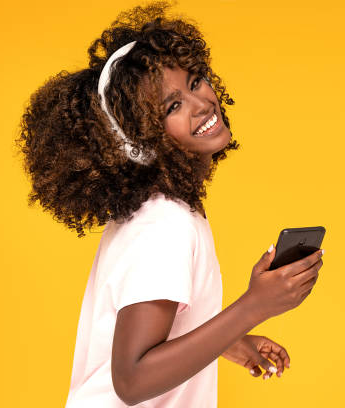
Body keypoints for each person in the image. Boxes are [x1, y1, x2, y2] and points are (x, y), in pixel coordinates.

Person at [16, 1, 324, 407]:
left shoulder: (164, 211)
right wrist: (254, 306)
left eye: (195, 82)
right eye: (172, 107)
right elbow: (132, 378)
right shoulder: (164, 225)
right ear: (139, 141)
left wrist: (230, 341)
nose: (200, 104)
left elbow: (156, 331)